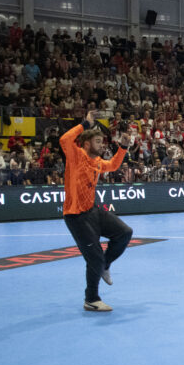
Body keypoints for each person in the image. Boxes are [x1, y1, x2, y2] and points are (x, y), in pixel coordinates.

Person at [60, 110, 133, 312]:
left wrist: (123, 146)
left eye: (102, 142)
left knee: (125, 233)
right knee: (94, 257)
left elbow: (114, 165)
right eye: (98, 141)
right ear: (86, 144)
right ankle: (91, 299)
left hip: (92, 210)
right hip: (76, 216)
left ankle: (105, 265)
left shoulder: (98, 162)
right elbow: (65, 139)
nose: (102, 145)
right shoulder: (76, 156)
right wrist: (85, 124)